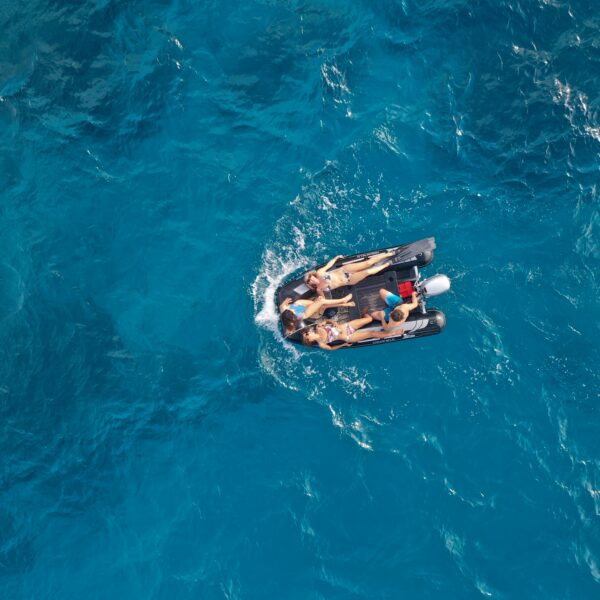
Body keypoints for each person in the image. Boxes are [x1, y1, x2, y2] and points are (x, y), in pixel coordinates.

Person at [303, 250, 396, 296]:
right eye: (308, 281)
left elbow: (328, 265)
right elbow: (323, 300)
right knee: (367, 272)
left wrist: (336, 258)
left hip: (345, 270)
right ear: (309, 284)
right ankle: (387, 264)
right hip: (349, 280)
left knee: (367, 263)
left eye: (310, 277)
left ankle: (388, 254)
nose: (310, 280)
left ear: (312, 275)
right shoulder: (319, 289)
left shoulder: (319, 273)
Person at [279, 294, 355, 336]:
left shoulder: (284, 309)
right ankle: (343, 301)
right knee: (321, 303)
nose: (293, 311)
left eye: (291, 311)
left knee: (321, 303)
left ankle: (344, 303)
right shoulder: (301, 316)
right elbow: (290, 329)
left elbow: (281, 306)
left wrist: (284, 302)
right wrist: (289, 331)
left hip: (300, 304)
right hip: (307, 312)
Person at [301, 314, 389, 350]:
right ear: (310, 340)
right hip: (349, 337)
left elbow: (327, 321)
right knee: (371, 333)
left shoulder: (318, 327)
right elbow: (331, 348)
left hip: (347, 326)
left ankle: (364, 313)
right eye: (307, 334)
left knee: (370, 319)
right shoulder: (321, 343)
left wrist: (333, 323)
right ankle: (391, 334)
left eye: (307, 332)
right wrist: (343, 345)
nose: (309, 332)